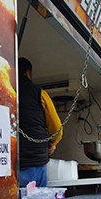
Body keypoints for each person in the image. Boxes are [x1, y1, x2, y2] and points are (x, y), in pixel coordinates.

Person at [17, 57, 63, 187]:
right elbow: (57, 128)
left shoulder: (7, 89)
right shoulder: (40, 93)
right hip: (35, 160)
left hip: (10, 161)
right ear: (27, 73)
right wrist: (52, 144)